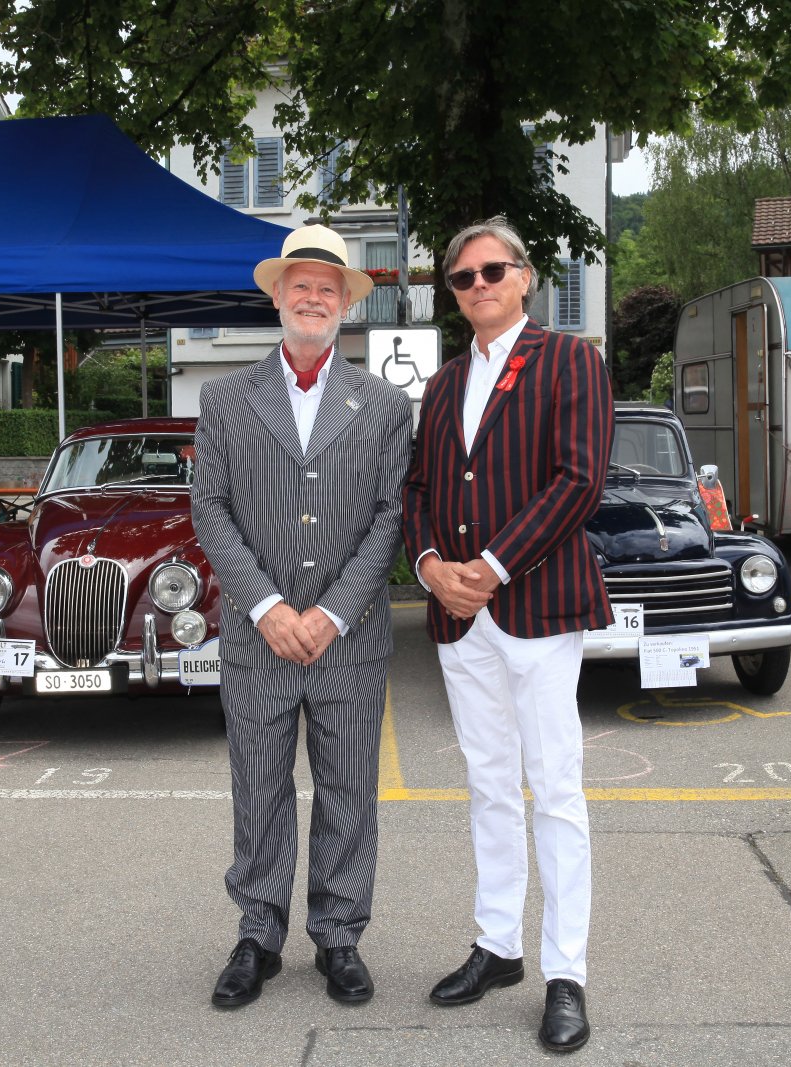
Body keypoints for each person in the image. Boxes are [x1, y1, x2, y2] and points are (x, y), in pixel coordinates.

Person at [401, 216, 614, 1054]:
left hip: (535, 605)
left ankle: (567, 972)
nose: (479, 284)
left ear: (524, 276)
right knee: (488, 784)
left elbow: (579, 480)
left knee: (555, 789)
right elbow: (419, 488)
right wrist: (429, 565)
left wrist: (491, 565)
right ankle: (498, 944)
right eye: (463, 277)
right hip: (459, 615)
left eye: (492, 270)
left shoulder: (570, 360)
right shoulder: (443, 383)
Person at [189, 224, 410, 1010]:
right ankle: (257, 933)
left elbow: (389, 518)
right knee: (258, 787)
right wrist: (268, 605)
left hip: (350, 643)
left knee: (349, 790)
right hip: (259, 639)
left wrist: (334, 612)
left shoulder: (385, 405)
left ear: (345, 304)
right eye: (301, 285)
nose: (313, 298)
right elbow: (210, 509)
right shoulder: (225, 399)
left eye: (327, 288)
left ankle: (339, 934)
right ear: (278, 297)